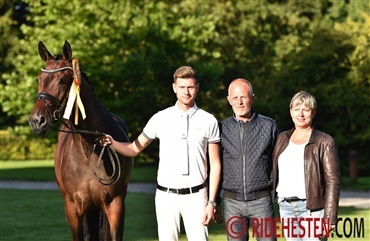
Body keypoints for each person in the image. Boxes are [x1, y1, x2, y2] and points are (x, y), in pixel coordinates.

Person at [100, 66, 221, 241]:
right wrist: (112, 143)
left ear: (197, 87)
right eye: (182, 87)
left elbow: (216, 164)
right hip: (166, 197)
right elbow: (134, 148)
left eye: (190, 87)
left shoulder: (209, 120)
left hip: (197, 198)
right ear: (174, 88)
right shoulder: (160, 118)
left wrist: (212, 202)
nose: (186, 92)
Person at [272, 91, 340, 241]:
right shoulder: (281, 139)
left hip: (313, 210)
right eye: (296, 109)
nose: (300, 114)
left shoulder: (325, 141)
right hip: (286, 208)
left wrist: (330, 217)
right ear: (291, 112)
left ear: (313, 112)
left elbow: (333, 182)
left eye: (306, 109)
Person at [219, 78, 279, 241]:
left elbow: (278, 162)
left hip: (262, 201)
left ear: (252, 98)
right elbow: (214, 165)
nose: (239, 102)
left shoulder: (269, 126)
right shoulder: (221, 128)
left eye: (243, 97)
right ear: (229, 100)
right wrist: (215, 201)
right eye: (235, 97)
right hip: (232, 203)